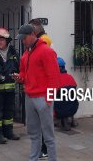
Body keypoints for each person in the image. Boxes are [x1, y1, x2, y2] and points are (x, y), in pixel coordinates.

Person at [13, 24, 60, 161]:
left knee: (48, 136)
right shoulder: (26, 54)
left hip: (42, 98)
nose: (22, 41)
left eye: (24, 38)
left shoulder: (46, 51)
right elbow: (24, 73)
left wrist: (49, 99)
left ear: (33, 34)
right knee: (33, 134)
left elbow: (54, 77)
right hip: (29, 97)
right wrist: (19, 77)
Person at [29, 18, 52, 159]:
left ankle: (45, 150)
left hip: (43, 90)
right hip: (39, 89)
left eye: (30, 29)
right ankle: (41, 150)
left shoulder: (44, 41)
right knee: (40, 125)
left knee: (44, 125)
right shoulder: (41, 40)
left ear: (36, 29)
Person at [54, 57, 79, 131]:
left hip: (59, 109)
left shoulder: (55, 79)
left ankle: (57, 120)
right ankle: (71, 118)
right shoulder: (70, 77)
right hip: (72, 108)